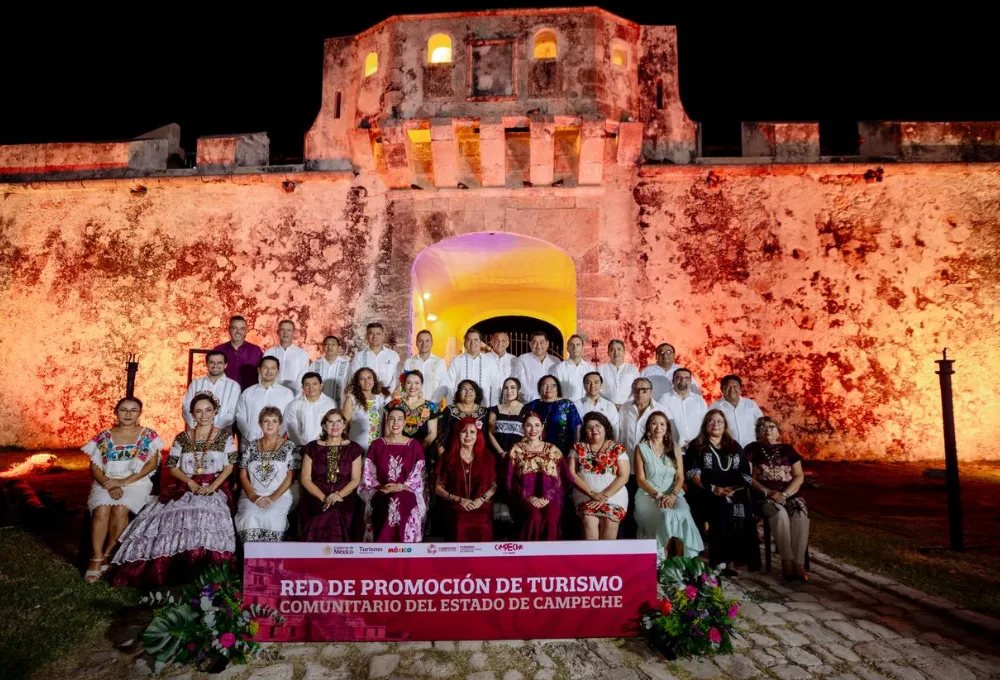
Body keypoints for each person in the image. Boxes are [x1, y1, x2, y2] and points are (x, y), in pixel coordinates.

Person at [112, 393, 237, 587]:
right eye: (198, 411)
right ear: (192, 414)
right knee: (166, 518)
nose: (203, 415)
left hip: (213, 486)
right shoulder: (182, 437)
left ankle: (203, 572)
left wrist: (213, 486)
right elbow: (173, 466)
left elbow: (229, 467)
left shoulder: (224, 437)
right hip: (186, 486)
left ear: (215, 412)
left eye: (208, 410)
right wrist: (189, 482)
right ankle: (169, 572)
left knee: (204, 515)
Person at [82, 397, 163, 582]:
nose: (128, 414)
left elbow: (151, 465)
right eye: (123, 410)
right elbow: (94, 466)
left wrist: (124, 482)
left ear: (140, 413)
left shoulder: (148, 436)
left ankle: (110, 554)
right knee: (102, 509)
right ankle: (96, 557)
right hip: (106, 481)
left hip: (136, 482)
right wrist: (108, 484)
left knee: (119, 509)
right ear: (115, 412)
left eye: (133, 410)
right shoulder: (104, 437)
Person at [686, 409, 760, 576]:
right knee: (721, 508)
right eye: (711, 421)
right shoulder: (696, 445)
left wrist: (734, 489)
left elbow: (745, 474)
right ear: (705, 424)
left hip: (734, 492)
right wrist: (714, 488)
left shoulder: (734, 445)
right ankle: (721, 559)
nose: (715, 424)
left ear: (725, 424)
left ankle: (735, 559)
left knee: (740, 509)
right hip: (705, 492)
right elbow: (692, 473)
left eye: (719, 421)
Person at [745, 417, 810, 581]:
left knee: (800, 516)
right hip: (764, 496)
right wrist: (769, 493)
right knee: (780, 515)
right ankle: (787, 562)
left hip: (789, 494)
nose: (768, 430)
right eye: (763, 427)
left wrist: (785, 494)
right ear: (758, 432)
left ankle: (799, 564)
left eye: (772, 427)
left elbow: (799, 476)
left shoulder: (788, 449)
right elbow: (748, 477)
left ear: (778, 431)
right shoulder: (752, 449)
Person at [634, 411, 704, 561]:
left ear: (667, 428)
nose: (658, 427)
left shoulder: (675, 448)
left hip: (673, 493)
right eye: (654, 423)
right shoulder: (641, 448)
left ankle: (681, 561)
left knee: (683, 512)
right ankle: (662, 559)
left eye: (662, 424)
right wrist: (657, 495)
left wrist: (672, 495)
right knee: (666, 515)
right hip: (648, 495)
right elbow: (640, 480)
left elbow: (680, 477)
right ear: (648, 427)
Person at [360, 406, 427, 542]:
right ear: (387, 422)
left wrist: (401, 487)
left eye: (399, 419)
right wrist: (380, 487)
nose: (395, 423)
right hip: (381, 491)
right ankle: (381, 550)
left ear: (404, 422)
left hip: (408, 491)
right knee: (386, 503)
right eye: (391, 419)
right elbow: (368, 473)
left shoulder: (414, 445)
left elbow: (418, 474)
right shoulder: (377, 445)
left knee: (401, 500)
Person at [234, 407, 299, 542]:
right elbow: (243, 475)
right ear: (260, 424)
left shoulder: (290, 447)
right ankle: (251, 560)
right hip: (253, 493)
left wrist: (273, 498)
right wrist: (252, 495)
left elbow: (290, 477)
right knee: (249, 515)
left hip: (281, 494)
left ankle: (271, 561)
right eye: (266, 421)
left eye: (274, 421)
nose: (270, 425)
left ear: (280, 425)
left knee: (271, 516)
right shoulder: (251, 447)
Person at [299, 409, 365, 542]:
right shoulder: (311, 447)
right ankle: (315, 557)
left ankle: (337, 558)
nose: (335, 426)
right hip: (316, 495)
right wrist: (324, 497)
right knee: (324, 511)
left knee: (335, 511)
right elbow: (305, 479)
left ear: (344, 425)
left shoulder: (354, 449)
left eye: (339, 422)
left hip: (344, 495)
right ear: (324, 426)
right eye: (330, 422)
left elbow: (355, 479)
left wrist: (337, 495)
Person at [507, 412, 569, 541]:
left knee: (551, 518)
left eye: (536, 425)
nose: (533, 429)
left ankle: (549, 558)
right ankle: (528, 556)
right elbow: (510, 479)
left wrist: (549, 496)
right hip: (524, 497)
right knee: (534, 517)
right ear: (523, 428)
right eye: (528, 425)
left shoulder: (553, 449)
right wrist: (528, 497)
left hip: (551, 496)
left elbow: (561, 478)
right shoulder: (516, 449)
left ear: (542, 427)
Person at [568, 412, 629, 540]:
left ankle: (607, 559)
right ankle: (591, 559)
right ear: (585, 431)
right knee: (589, 520)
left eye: (597, 425)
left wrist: (604, 495)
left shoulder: (617, 448)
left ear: (605, 428)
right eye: (589, 427)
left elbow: (624, 476)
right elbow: (571, 474)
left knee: (609, 521)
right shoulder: (577, 448)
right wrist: (592, 494)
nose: (594, 430)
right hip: (585, 494)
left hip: (613, 495)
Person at [435, 418, 497, 541]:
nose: (468, 435)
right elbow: (438, 488)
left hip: (481, 504)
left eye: (472, 432)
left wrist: (481, 499)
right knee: (459, 521)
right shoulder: (447, 456)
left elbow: (494, 485)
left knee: (483, 524)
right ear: (458, 434)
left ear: (478, 435)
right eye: (464, 431)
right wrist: (459, 499)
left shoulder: (488, 457)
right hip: (455, 504)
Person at [617, 377, 662, 537]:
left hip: (651, 468)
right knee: (628, 506)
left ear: (651, 391)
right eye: (636, 389)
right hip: (627, 467)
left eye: (644, 390)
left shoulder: (661, 409)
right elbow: (619, 436)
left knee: (647, 507)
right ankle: (628, 544)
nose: (640, 393)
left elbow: (669, 438)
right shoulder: (625, 408)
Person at [486, 377, 524, 537]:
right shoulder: (495, 409)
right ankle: (499, 530)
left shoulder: (525, 409)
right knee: (498, 490)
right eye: (506, 388)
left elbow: (529, 433)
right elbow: (489, 432)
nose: (509, 391)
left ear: (518, 390)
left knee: (515, 489)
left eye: (513, 388)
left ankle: (516, 530)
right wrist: (501, 452)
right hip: (498, 456)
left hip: (518, 456)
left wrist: (514, 453)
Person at [234, 356, 294, 452]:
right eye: (265, 367)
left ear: (278, 371)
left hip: (276, 445)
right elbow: (240, 416)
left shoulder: (286, 393)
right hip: (250, 443)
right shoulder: (248, 392)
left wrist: (278, 437)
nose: (269, 371)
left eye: (273, 368)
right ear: (259, 370)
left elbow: (288, 418)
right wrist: (249, 434)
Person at [522, 375, 582, 456]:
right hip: (537, 451)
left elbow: (577, 427)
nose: (548, 388)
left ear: (557, 389)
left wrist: (575, 449)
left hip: (564, 450)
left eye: (553, 385)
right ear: (539, 389)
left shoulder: (567, 404)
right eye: (545, 385)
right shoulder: (532, 405)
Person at [182, 351, 241, 430]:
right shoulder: (195, 384)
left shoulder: (233, 386)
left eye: (219, 362)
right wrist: (197, 427)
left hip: (221, 435)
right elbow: (186, 408)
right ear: (206, 364)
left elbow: (232, 413)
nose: (215, 365)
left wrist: (213, 430)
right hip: (196, 434)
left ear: (225, 365)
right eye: (211, 362)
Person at [385, 370, 441, 453]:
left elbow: (432, 434)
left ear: (421, 385)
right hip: (395, 450)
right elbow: (387, 431)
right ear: (404, 384)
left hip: (422, 451)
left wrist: (417, 450)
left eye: (417, 383)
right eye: (409, 383)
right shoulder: (394, 404)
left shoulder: (430, 407)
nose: (412, 386)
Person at [447, 327, 502, 406]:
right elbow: (449, 385)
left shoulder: (490, 361)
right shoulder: (456, 361)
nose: (473, 343)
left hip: (483, 407)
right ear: (465, 343)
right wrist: (451, 406)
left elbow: (495, 386)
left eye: (476, 340)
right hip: (461, 408)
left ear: (480, 342)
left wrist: (494, 409)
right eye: (469, 340)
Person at [436, 379, 489, 457]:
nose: (468, 392)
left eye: (471, 390)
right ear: (458, 394)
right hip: (452, 456)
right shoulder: (449, 411)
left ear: (476, 394)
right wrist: (443, 459)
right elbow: (440, 437)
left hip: (478, 456)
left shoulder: (484, 412)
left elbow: (488, 438)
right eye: (464, 389)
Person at [708, 375, 764, 448]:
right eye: (728, 386)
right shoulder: (714, 407)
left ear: (740, 389)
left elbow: (761, 425)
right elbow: (709, 430)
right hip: (726, 450)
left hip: (751, 450)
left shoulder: (750, 404)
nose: (732, 389)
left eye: (735, 386)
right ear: (722, 389)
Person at [341, 367, 390, 451]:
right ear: (358, 382)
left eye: (369, 378)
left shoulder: (381, 399)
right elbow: (343, 425)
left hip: (377, 448)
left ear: (374, 380)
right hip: (357, 448)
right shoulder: (352, 399)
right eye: (362, 379)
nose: (366, 381)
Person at [284, 372, 337, 446]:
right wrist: (302, 446)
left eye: (314, 384)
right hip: (300, 447)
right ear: (302, 388)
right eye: (307, 385)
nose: (311, 388)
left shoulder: (330, 404)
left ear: (321, 386)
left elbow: (332, 427)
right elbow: (292, 429)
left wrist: (321, 444)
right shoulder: (294, 405)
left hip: (323, 446)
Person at [660, 368, 707, 449]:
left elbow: (706, 422)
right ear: (673, 381)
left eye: (687, 378)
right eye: (679, 378)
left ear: (690, 381)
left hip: (698, 447)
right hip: (674, 448)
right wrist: (681, 443)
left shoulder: (699, 400)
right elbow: (663, 424)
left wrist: (696, 442)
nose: (683, 381)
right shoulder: (664, 399)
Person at [349, 322, 402, 394]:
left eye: (378, 334)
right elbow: (354, 378)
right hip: (365, 397)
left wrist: (388, 394)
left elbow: (397, 378)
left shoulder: (393, 355)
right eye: (371, 334)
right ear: (366, 336)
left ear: (383, 336)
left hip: (388, 397)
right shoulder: (359, 357)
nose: (375, 337)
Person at [214, 315, 264, 390]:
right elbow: (213, 374)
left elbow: (262, 376)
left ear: (246, 331)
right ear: (229, 329)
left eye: (242, 329)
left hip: (248, 395)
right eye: (234, 328)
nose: (238, 332)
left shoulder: (256, 351)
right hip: (224, 394)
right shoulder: (219, 350)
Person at [264, 319, 311, 397]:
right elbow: (263, 374)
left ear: (294, 333)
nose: (285, 333)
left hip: (293, 395)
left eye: (289, 330)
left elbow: (302, 377)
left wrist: (291, 393)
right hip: (271, 394)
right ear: (278, 332)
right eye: (282, 330)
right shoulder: (269, 353)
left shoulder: (301, 354)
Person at [402, 330, 449, 404]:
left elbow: (443, 386)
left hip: (433, 406)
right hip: (412, 405)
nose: (424, 344)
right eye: (420, 341)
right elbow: (403, 384)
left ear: (432, 342)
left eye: (427, 341)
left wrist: (432, 403)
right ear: (416, 343)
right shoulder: (409, 362)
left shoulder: (439, 362)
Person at [515, 331, 559, 402]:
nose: (538, 346)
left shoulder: (556, 361)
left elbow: (558, 383)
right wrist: (535, 399)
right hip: (529, 403)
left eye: (541, 342)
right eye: (535, 342)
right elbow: (521, 382)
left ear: (547, 344)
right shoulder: (523, 359)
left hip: (551, 402)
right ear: (530, 344)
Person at [307, 335, 351, 406]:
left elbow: (351, 386)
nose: (330, 347)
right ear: (323, 347)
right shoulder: (314, 365)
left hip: (339, 406)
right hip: (318, 405)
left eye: (333, 344)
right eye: (327, 344)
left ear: (339, 348)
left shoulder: (347, 365)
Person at [553, 334, 595, 402]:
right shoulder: (559, 368)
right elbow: (555, 391)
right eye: (572, 345)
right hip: (566, 408)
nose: (575, 347)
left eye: (578, 345)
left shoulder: (590, 369)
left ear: (582, 348)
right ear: (567, 348)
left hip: (585, 407)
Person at [598, 339, 640, 408]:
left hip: (628, 407)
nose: (616, 352)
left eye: (619, 349)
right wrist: (610, 405)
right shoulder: (601, 369)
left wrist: (625, 405)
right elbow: (598, 390)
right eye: (612, 350)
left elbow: (637, 389)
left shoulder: (633, 370)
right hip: (605, 407)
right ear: (608, 353)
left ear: (624, 352)